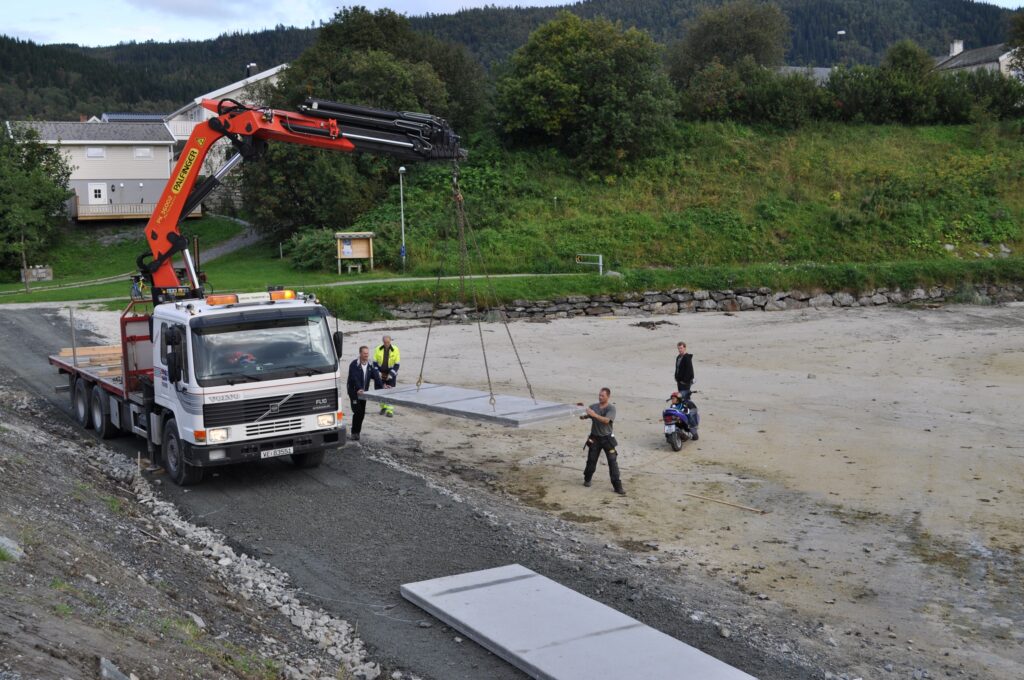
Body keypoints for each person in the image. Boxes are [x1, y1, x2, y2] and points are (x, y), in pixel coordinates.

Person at [580, 387, 626, 495]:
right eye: (599, 395)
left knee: (612, 462)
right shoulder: (593, 406)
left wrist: (593, 414)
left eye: (602, 396)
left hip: (607, 438)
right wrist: (582, 413)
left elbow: (606, 421)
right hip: (594, 438)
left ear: (608, 397)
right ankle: (587, 479)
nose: (600, 397)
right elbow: (585, 416)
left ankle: (617, 486)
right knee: (591, 461)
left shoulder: (611, 409)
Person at [347, 346, 381, 441]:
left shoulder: (370, 364)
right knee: (357, 412)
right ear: (360, 354)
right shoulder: (354, 364)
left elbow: (376, 377)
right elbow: (354, 378)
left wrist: (383, 387)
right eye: (364, 353)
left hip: (364, 393)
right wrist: (358, 388)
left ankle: (357, 432)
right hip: (354, 392)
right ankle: (354, 433)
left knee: (362, 414)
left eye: (367, 353)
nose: (366, 355)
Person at [373, 335, 401, 417]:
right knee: (379, 391)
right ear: (383, 342)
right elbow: (374, 363)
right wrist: (378, 372)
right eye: (385, 342)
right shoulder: (378, 349)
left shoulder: (395, 349)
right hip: (380, 373)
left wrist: (391, 374)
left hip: (391, 373)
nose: (386, 344)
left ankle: (390, 411)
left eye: (388, 342)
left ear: (390, 341)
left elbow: (397, 364)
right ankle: (383, 407)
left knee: (390, 391)